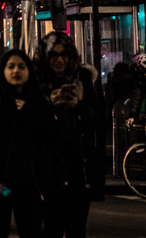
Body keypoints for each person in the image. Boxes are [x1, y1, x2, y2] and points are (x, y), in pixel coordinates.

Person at [0, 49, 54, 238]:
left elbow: (49, 136)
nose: (16, 71)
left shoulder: (37, 100)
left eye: (22, 66)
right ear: (3, 70)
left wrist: (29, 112)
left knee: (31, 229)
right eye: (11, 66)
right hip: (1, 185)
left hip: (30, 184)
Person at [36, 32, 104, 238]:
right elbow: (30, 127)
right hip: (49, 167)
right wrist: (49, 105)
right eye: (54, 55)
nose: (59, 60)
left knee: (77, 230)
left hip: (79, 168)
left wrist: (78, 106)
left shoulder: (82, 79)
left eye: (64, 55)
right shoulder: (37, 82)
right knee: (52, 228)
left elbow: (98, 121)